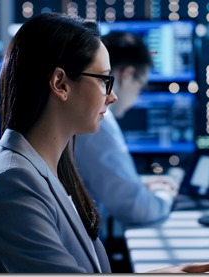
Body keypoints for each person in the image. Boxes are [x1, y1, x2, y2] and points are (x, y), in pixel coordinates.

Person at [0, 12, 209, 274]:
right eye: (104, 80)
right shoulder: (13, 181)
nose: (112, 96)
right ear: (60, 84)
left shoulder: (45, 167)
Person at [75, 31, 179, 241]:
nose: (136, 98)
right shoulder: (98, 123)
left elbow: (99, 180)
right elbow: (136, 209)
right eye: (140, 87)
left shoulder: (87, 117)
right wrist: (168, 191)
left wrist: (140, 182)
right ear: (127, 75)